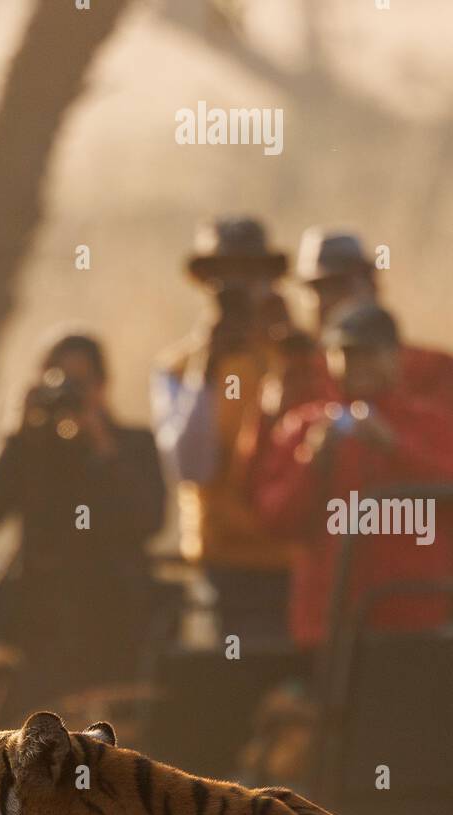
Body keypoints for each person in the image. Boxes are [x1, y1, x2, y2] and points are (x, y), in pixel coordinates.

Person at [253, 302, 453, 649]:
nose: (356, 365)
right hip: (328, 626)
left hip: (417, 620)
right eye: (344, 353)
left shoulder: (431, 422)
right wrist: (311, 462)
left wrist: (395, 445)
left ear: (395, 356)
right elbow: (275, 520)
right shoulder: (304, 426)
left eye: (368, 353)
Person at [0, 332, 165, 694]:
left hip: (115, 620)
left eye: (78, 383)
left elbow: (149, 520)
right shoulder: (32, 448)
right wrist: (16, 432)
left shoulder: (133, 444)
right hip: (42, 627)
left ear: (102, 386)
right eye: (57, 380)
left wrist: (104, 449)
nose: (67, 394)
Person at [151, 216, 298, 643]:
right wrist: (208, 368)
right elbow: (189, 467)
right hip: (229, 562)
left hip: (299, 556)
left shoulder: (297, 352)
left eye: (248, 274)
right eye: (225, 276)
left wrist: (290, 342)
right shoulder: (180, 367)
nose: (237, 287)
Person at [295, 228, 453, 411]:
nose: (329, 300)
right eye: (319, 290)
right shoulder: (298, 376)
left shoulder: (432, 369)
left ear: (373, 287)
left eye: (339, 285)